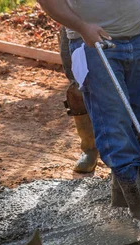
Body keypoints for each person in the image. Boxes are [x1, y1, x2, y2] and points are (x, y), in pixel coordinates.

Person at [38, 0, 140, 232]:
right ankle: (137, 206)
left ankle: (122, 190)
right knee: (113, 121)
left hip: (135, 39)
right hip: (90, 42)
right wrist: (82, 27)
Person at [59, 26, 99, 174]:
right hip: (72, 26)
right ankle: (89, 149)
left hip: (112, 20)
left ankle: (128, 151)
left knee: (120, 84)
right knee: (77, 88)